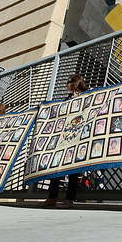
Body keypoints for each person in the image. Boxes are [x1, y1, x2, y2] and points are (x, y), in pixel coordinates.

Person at [37, 75, 88, 209]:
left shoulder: (87, 96)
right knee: (56, 166)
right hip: (63, 138)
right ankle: (51, 197)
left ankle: (69, 199)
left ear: (74, 83)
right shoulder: (67, 100)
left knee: (72, 171)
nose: (66, 84)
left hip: (77, 138)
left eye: (68, 82)